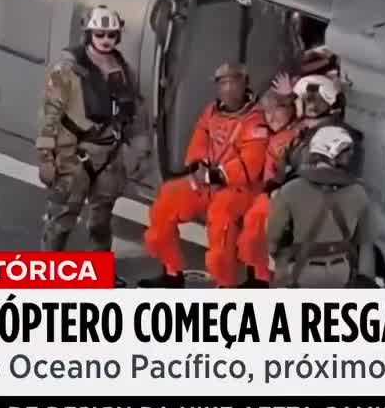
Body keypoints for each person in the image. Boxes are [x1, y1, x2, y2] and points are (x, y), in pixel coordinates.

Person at [37, 6, 151, 271]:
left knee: (101, 221)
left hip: (109, 156)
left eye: (111, 34)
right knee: (61, 220)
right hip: (74, 155)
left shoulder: (124, 70)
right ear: (89, 34)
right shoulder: (68, 70)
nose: (106, 40)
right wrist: (45, 157)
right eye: (100, 34)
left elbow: (135, 112)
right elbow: (49, 115)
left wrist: (141, 149)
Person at [138, 63, 268, 288]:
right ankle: (172, 273)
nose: (228, 88)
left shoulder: (256, 119)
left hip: (238, 188)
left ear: (245, 83)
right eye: (223, 83)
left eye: (233, 82)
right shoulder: (211, 111)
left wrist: (215, 175)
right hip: (207, 182)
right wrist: (198, 164)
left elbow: (251, 163)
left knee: (221, 221)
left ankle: (224, 284)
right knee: (167, 199)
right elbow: (199, 138)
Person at [267, 125, 371, 288]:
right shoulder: (359, 192)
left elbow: (272, 240)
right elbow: (363, 240)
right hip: (342, 272)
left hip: (302, 272)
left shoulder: (291, 189)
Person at [236, 88, 305, 287]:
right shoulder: (274, 134)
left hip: (279, 195)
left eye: (277, 109)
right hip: (268, 192)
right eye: (267, 111)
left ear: (292, 108)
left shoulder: (289, 137)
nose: (271, 116)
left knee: (254, 231)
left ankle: (259, 280)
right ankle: (258, 279)